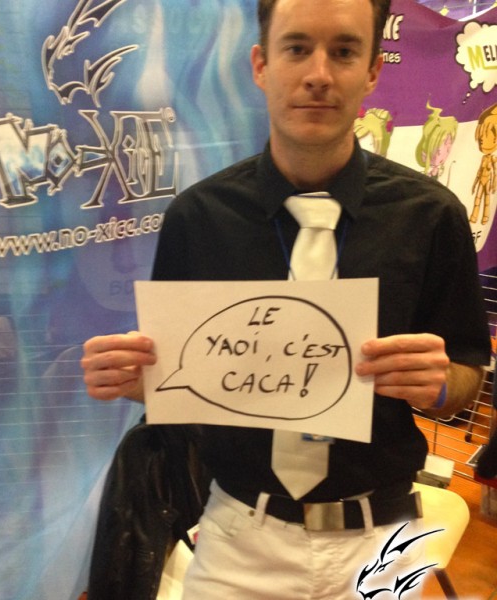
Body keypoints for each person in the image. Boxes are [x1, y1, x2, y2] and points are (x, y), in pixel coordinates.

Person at [81, 0, 491, 597]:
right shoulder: (199, 219)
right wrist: (132, 379)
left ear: (373, 70)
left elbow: (465, 381)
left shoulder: (429, 218)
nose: (319, 74)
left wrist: (439, 383)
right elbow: (181, 384)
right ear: (261, 65)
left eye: (344, 51)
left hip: (380, 537)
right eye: (297, 48)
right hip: (239, 537)